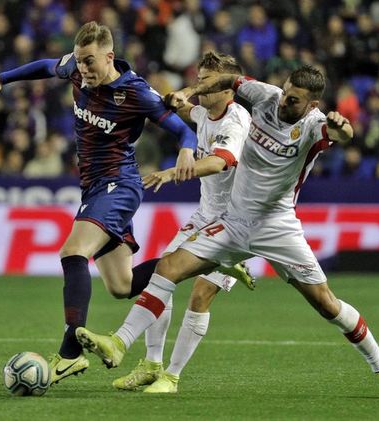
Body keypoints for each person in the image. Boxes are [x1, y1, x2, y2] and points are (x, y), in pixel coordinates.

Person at [75, 65, 379, 399]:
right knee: (167, 268)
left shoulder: (315, 126)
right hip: (234, 221)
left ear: (312, 105)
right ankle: (120, 343)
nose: (284, 103)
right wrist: (189, 92)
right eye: (285, 94)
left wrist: (345, 128)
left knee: (327, 305)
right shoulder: (267, 96)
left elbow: (342, 135)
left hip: (278, 227)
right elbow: (230, 80)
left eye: (294, 101)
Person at [0, 21, 198, 385]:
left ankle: (70, 352)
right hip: (94, 187)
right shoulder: (76, 71)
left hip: (120, 184)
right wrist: (2, 78)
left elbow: (182, 129)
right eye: (79, 61)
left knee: (72, 252)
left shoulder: (136, 92)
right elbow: (46, 66)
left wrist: (187, 149)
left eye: (90, 62)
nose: (83, 69)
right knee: (122, 286)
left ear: (109, 57)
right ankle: (203, 258)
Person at [112, 51, 255, 392]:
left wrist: (176, 171)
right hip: (205, 214)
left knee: (200, 296)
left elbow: (221, 161)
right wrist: (174, 99)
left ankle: (171, 377)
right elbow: (186, 110)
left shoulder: (236, 120)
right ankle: (151, 363)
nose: (199, 86)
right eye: (199, 78)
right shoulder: (206, 111)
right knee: (163, 274)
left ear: (227, 89)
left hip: (238, 223)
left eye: (206, 81)